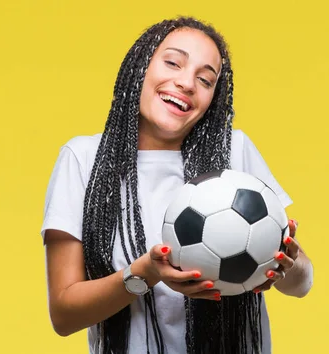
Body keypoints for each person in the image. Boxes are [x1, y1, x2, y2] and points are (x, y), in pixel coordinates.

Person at [40, 16, 313, 354]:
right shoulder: (83, 159)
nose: (186, 83)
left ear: (213, 98)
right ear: (141, 66)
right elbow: (64, 315)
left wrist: (287, 263)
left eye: (205, 79)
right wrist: (145, 272)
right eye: (173, 62)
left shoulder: (235, 151)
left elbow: (303, 284)